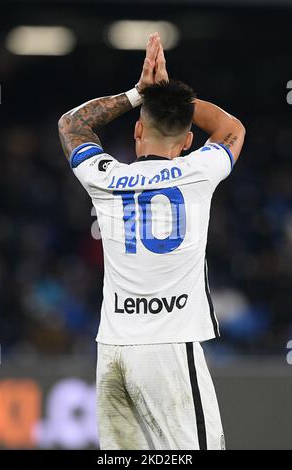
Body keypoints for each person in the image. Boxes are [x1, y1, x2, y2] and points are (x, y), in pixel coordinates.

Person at [58, 32, 245, 450]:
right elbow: (232, 128)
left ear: (138, 130)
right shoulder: (199, 172)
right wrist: (170, 97)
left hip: (112, 349)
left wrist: (138, 93)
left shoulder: (106, 178)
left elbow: (72, 124)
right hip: (169, 348)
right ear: (188, 142)